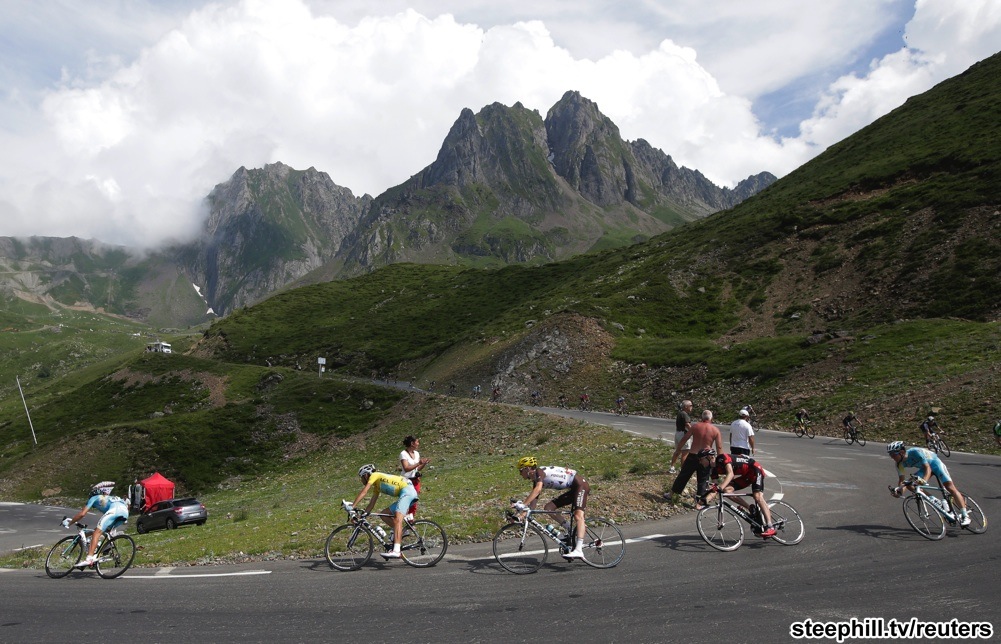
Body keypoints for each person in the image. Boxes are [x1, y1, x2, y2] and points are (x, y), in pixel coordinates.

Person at [514, 456, 589, 559]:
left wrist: (523, 504)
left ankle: (579, 550)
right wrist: (522, 514)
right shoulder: (536, 480)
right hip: (573, 489)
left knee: (578, 516)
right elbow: (533, 505)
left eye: (521, 470)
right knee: (548, 508)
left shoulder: (539, 472)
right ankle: (571, 530)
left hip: (580, 485)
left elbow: (537, 490)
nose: (520, 473)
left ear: (527, 468)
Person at [886, 441, 970, 526]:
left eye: (893, 455)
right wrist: (899, 491)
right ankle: (935, 500)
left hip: (935, 464)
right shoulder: (898, 464)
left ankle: (965, 516)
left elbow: (928, 469)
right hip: (924, 469)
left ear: (901, 452)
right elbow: (902, 480)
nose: (892, 457)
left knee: (950, 487)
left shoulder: (915, 452)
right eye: (890, 455)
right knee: (909, 485)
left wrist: (924, 481)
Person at [350, 464, 418, 559]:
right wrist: (362, 516)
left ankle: (396, 551)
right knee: (384, 514)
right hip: (406, 492)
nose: (362, 480)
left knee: (397, 520)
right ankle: (402, 532)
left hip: (407, 492)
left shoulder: (375, 475)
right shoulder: (377, 486)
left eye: (361, 477)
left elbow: (364, 492)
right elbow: (371, 504)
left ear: (366, 475)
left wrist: (352, 506)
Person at [61, 481, 129, 568]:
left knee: (97, 533)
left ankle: (89, 559)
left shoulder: (94, 498)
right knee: (101, 531)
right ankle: (106, 549)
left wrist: (70, 523)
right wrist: (87, 534)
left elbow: (82, 514)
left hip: (115, 511)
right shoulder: (109, 497)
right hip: (125, 512)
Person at [707, 453, 776, 538]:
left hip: (755, 469)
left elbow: (730, 474)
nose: (700, 462)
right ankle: (750, 508)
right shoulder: (713, 470)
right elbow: (715, 489)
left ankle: (770, 526)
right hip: (746, 475)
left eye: (701, 459)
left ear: (709, 457)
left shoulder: (722, 458)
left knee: (757, 496)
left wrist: (720, 487)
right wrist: (703, 501)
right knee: (727, 490)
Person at [668, 409, 724, 507]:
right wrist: (720, 461)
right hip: (706, 457)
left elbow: (685, 438)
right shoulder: (715, 430)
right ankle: (699, 501)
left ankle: (672, 494)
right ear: (711, 418)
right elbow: (719, 447)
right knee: (703, 479)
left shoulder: (695, 426)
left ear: (702, 418)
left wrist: (678, 449)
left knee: (683, 475)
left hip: (693, 455)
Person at [400, 435, 429, 517]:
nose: (418, 443)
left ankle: (411, 518)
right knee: (406, 500)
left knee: (414, 501)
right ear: (412, 443)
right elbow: (406, 468)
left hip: (415, 480)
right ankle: (401, 517)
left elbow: (417, 468)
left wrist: (424, 464)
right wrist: (418, 463)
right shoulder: (403, 454)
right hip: (406, 481)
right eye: (417, 442)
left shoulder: (416, 453)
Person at [668, 400, 694, 474]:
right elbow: (687, 425)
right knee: (685, 452)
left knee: (677, 451)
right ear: (686, 406)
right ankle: (683, 469)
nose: (691, 407)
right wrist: (693, 432)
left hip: (678, 433)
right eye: (690, 405)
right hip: (684, 434)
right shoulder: (685, 414)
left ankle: (672, 467)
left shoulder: (680, 413)